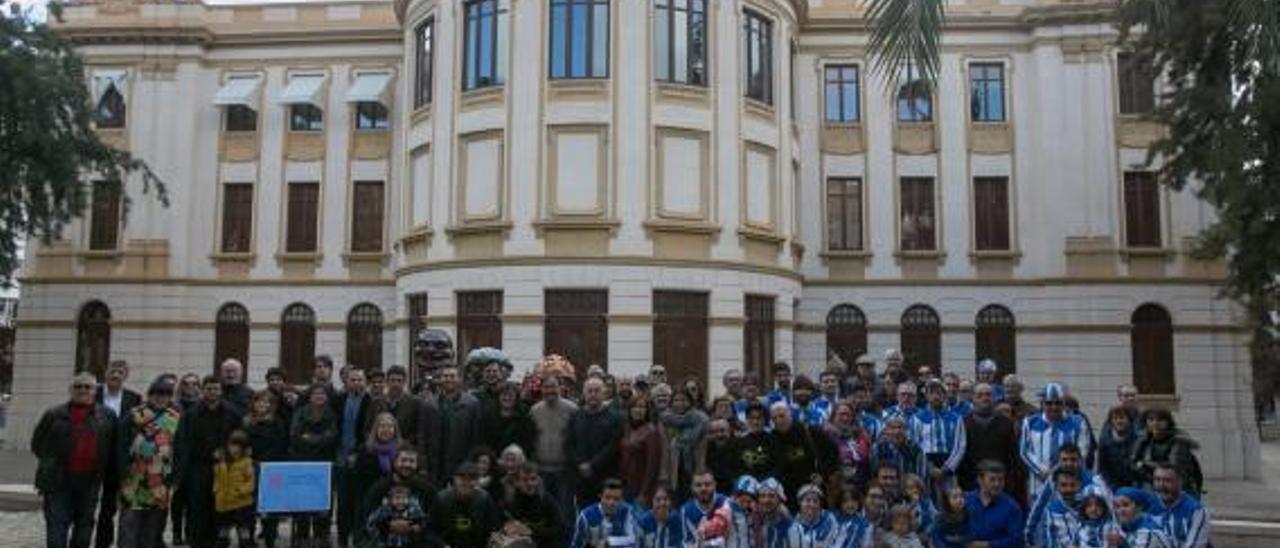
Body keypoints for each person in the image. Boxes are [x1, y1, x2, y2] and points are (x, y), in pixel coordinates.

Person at [33, 373, 118, 548]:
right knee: (57, 526)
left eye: (88, 387)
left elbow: (112, 449)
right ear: (71, 390)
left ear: (95, 390)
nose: (83, 390)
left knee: (84, 527)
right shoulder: (53, 414)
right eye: (78, 386)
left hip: (90, 481)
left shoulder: (108, 416)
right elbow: (37, 444)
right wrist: (51, 463)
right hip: (59, 480)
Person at [176, 376, 242, 548]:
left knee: (220, 508)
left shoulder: (233, 413)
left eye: (216, 389)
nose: (212, 392)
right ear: (202, 390)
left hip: (224, 467)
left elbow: (239, 440)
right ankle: (196, 542)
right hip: (197, 468)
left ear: (221, 391)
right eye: (209, 388)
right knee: (196, 508)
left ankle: (218, 542)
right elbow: (183, 442)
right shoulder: (191, 414)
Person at [117, 377, 182, 548]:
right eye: (157, 394)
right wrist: (122, 471)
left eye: (166, 394)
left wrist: (177, 476)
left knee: (153, 527)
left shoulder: (176, 417)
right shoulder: (134, 414)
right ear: (149, 395)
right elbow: (121, 444)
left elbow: (182, 448)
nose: (161, 398)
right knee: (129, 523)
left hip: (161, 478)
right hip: (134, 476)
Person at [94, 360, 142, 548]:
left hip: (117, 460)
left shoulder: (134, 398)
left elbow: (137, 428)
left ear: (126, 376)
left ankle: (102, 543)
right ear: (105, 374)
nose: (116, 375)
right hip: (93, 458)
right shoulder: (93, 393)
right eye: (112, 371)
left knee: (108, 506)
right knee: (87, 505)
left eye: (120, 372)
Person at [1019, 383, 1092, 499]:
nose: (1054, 407)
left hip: (1070, 482)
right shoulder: (1030, 423)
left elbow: (1082, 450)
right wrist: (1042, 471)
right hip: (1040, 483)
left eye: (1058, 403)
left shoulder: (1078, 422)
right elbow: (1024, 451)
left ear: (1064, 403)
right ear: (1042, 404)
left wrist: (1060, 471)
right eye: (1049, 403)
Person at [289, 384, 338, 547]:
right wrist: (318, 439)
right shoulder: (300, 412)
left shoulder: (331, 413)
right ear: (310, 396)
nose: (319, 396)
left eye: (322, 394)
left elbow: (332, 436)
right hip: (302, 460)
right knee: (303, 499)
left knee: (323, 500)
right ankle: (302, 534)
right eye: (315, 393)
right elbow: (295, 434)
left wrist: (310, 438)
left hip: (324, 462)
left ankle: (321, 534)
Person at [422, 365, 483, 487]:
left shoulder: (472, 404)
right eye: (445, 376)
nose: (448, 379)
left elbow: (476, 436)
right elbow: (423, 435)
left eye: (452, 376)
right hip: (435, 464)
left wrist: (471, 462)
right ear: (440, 379)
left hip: (461, 462)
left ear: (459, 379)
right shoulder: (430, 405)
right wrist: (423, 463)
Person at [529, 373, 578, 523]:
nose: (550, 390)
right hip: (541, 471)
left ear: (560, 387)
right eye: (547, 387)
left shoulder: (572, 409)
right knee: (543, 512)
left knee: (565, 513)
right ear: (542, 389)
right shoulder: (534, 411)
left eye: (553, 386)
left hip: (564, 471)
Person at [335, 368, 374, 547]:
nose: (356, 382)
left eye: (359, 379)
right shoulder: (340, 400)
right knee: (342, 503)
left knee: (360, 502)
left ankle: (359, 539)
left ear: (365, 382)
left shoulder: (371, 402)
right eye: (353, 379)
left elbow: (371, 432)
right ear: (346, 381)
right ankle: (342, 539)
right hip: (340, 459)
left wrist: (358, 453)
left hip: (361, 460)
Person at [243, 390, 288, 548]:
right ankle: (249, 539)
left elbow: (281, 444)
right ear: (253, 404)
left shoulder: (277, 422)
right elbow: (241, 442)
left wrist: (265, 462)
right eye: (259, 401)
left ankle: (270, 539)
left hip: (272, 470)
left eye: (266, 402)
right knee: (248, 506)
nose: (262, 404)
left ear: (271, 405)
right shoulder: (246, 421)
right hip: (249, 468)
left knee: (271, 507)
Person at [768, 402, 837, 504]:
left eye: (782, 416)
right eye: (774, 418)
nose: (779, 420)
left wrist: (823, 475)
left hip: (814, 492)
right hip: (788, 495)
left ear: (790, 414)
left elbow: (832, 455)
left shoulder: (810, 431)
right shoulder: (771, 439)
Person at [570, 377, 624, 504]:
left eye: (597, 391)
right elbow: (569, 444)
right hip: (581, 479)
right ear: (584, 394)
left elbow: (613, 446)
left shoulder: (615, 417)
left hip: (605, 477)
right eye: (590, 391)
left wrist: (592, 465)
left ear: (604, 393)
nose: (593, 394)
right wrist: (579, 464)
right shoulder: (576, 416)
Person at [352, 413, 402, 545]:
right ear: (376, 429)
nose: (386, 430)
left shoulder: (402, 449)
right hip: (369, 500)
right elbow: (358, 480)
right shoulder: (365, 450)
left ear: (395, 429)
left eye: (390, 426)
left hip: (397, 501)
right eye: (382, 426)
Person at [426, 461, 503, 548]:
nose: (466, 482)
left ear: (477, 481)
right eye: (462, 478)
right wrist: (443, 545)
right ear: (454, 479)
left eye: (471, 478)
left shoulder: (484, 499)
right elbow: (429, 531)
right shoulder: (442, 499)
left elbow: (494, 529)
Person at [959, 383, 1017, 492]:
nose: (985, 398)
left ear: (994, 398)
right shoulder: (963, 424)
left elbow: (1013, 458)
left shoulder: (1007, 423)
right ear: (973, 398)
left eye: (988, 395)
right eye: (980, 395)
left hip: (1001, 485)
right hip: (971, 485)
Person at [913, 379, 966, 498]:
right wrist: (929, 467)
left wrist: (946, 469)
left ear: (945, 395)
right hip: (926, 465)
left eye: (939, 393)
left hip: (948, 465)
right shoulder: (918, 418)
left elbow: (960, 446)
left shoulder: (956, 418)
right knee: (926, 498)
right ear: (926, 396)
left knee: (950, 501)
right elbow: (915, 444)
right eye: (931, 393)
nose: (935, 396)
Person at [1132, 409, 1202, 494]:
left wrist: (1145, 464)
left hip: (1177, 485)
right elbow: (1133, 463)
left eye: (1160, 420)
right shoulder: (1143, 439)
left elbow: (1173, 468)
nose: (1155, 423)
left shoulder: (1178, 440)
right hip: (1150, 481)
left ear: (1168, 422)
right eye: (1151, 420)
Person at [498, 463, 567, 548]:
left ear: (538, 480)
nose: (530, 484)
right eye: (525, 480)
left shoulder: (547, 500)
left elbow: (559, 530)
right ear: (517, 482)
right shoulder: (510, 501)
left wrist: (531, 531)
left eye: (533, 479)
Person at [965, 460, 1024, 548]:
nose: (997, 484)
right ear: (980, 480)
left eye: (1000, 480)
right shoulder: (965, 500)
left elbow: (1016, 540)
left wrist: (987, 545)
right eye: (992, 479)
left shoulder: (1011, 507)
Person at [660, 388, 707, 500]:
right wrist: (664, 474)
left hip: (693, 468)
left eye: (684, 400)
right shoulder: (665, 420)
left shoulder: (701, 420)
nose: (680, 403)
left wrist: (700, 472)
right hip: (672, 470)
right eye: (676, 400)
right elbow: (664, 448)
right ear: (671, 402)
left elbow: (703, 448)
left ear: (690, 401)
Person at [212, 430, 255, 548]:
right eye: (232, 445)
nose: (234, 449)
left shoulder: (247, 462)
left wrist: (240, 491)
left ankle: (245, 543)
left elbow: (251, 482)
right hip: (224, 502)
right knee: (223, 532)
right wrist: (216, 490)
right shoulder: (221, 461)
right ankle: (223, 541)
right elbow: (217, 477)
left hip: (241, 503)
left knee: (243, 531)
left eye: (238, 446)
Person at [1150, 464, 1210, 548]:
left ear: (1180, 482)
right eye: (1157, 480)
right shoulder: (1147, 505)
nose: (1161, 485)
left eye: (1167, 480)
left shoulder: (1196, 510)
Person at [570, 478, 641, 548]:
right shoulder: (586, 515)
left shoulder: (627, 511)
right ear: (600, 496)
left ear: (622, 499)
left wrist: (609, 542)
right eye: (607, 497)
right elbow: (576, 544)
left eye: (616, 499)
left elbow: (634, 539)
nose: (611, 502)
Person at [619, 395, 664, 504]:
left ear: (647, 410)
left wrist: (644, 493)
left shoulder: (651, 431)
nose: (638, 410)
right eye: (634, 407)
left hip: (642, 489)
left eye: (642, 407)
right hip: (626, 487)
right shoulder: (627, 429)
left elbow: (652, 467)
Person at [1026, 468, 1081, 548]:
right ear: (1056, 487)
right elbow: (1048, 541)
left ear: (1079, 485)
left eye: (1072, 485)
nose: (1068, 489)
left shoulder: (1089, 507)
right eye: (1064, 485)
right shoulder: (1050, 512)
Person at [480, 381, 536, 458]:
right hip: (492, 461)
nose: (507, 398)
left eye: (510, 395)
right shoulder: (488, 416)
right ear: (498, 397)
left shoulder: (524, 418)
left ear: (516, 398)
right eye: (504, 395)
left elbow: (527, 444)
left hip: (516, 462)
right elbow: (483, 441)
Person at [372, 366, 424, 450]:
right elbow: (368, 427)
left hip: (405, 451)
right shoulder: (376, 403)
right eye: (392, 380)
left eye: (399, 381)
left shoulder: (415, 403)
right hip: (379, 450)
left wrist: (405, 444)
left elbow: (419, 430)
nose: (395, 384)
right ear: (387, 382)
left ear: (404, 382)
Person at [824, 401, 873, 489]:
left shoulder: (862, 436)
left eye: (848, 415)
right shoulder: (826, 437)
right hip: (836, 486)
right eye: (841, 414)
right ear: (833, 416)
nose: (845, 418)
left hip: (861, 483)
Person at [1096, 405, 1140, 489]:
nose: (1119, 421)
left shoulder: (1137, 440)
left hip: (1134, 486)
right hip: (1112, 486)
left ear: (1129, 420)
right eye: (1115, 418)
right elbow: (1102, 469)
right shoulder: (1105, 442)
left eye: (1122, 418)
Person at [732, 401, 777, 481]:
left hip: (769, 483)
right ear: (746, 419)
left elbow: (777, 467)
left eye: (759, 418)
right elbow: (736, 467)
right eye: (751, 418)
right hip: (747, 482)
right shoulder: (738, 441)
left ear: (765, 420)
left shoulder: (773, 439)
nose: (755, 422)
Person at [678, 472, 726, 544]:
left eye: (707, 484)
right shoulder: (686, 510)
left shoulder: (726, 504)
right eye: (698, 485)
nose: (703, 488)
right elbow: (687, 541)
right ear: (692, 487)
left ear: (715, 485)